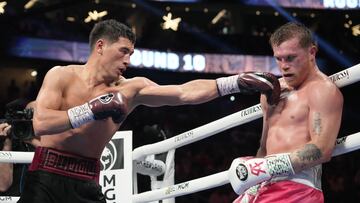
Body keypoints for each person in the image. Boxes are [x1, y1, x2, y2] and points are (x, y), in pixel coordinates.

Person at [17, 19, 280, 203]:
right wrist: (92, 109)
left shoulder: (130, 89)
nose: (127, 61)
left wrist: (234, 82)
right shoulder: (61, 76)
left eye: (131, 53)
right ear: (100, 46)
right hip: (46, 175)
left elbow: (183, 93)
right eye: (123, 52)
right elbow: (41, 123)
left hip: (87, 179)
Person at [228, 22, 343, 203]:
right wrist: (255, 177)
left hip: (297, 187)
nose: (284, 66)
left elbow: (322, 149)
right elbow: (264, 146)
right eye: (279, 58)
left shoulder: (321, 90)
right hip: (264, 183)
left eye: (290, 58)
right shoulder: (272, 92)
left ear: (311, 52)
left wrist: (266, 167)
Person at [0, 101, 37, 196]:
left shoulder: (42, 139)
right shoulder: (4, 140)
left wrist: (33, 140)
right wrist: (7, 141)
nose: (21, 126)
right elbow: (3, 185)